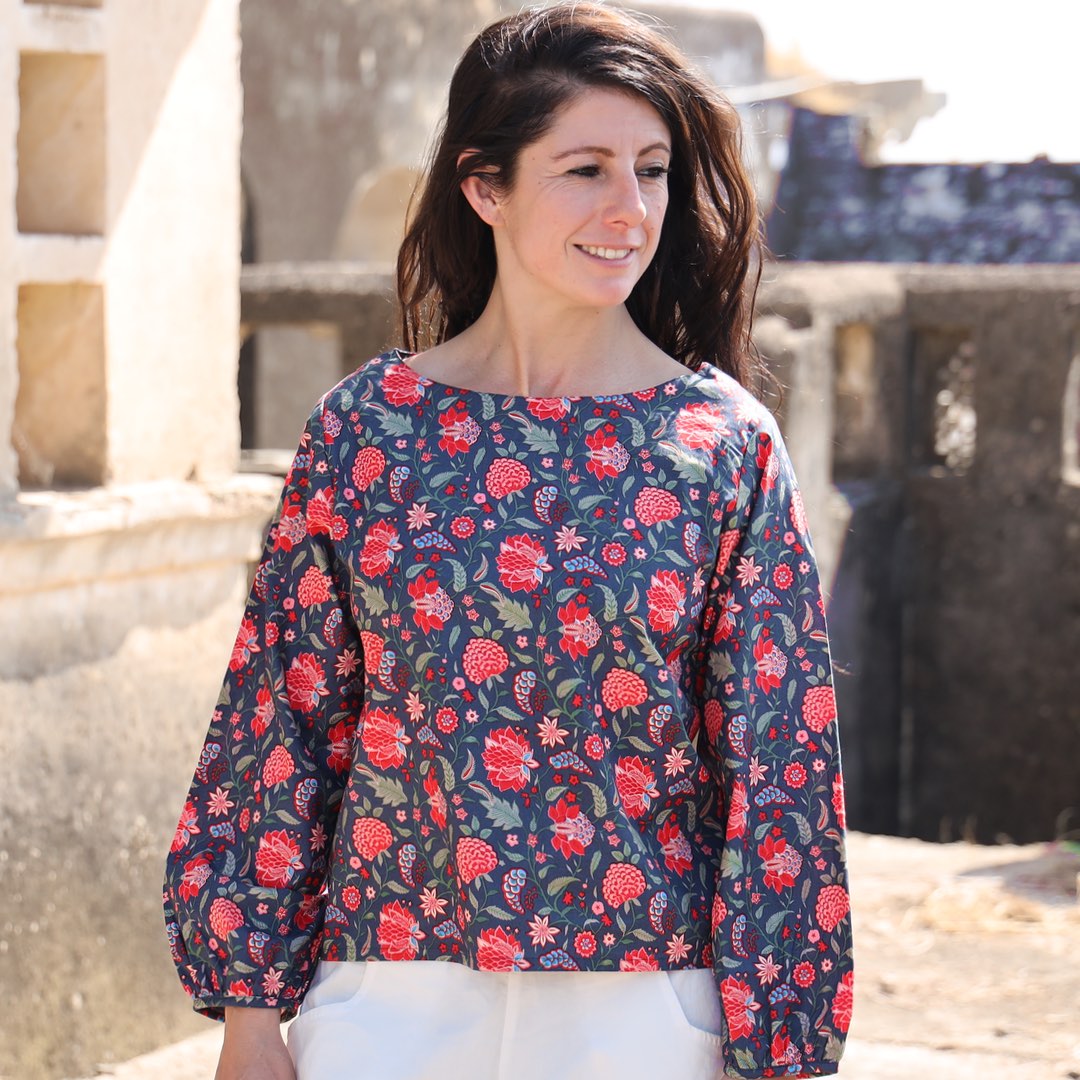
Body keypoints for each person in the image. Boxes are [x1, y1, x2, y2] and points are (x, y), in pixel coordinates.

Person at [163, 4, 854, 1078]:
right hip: (387, 997)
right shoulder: (367, 430)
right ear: (485, 186)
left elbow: (780, 766)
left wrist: (779, 1047)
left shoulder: (724, 448)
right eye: (585, 169)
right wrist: (252, 1014)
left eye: (654, 168)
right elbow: (284, 717)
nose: (630, 208)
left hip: (646, 1014)